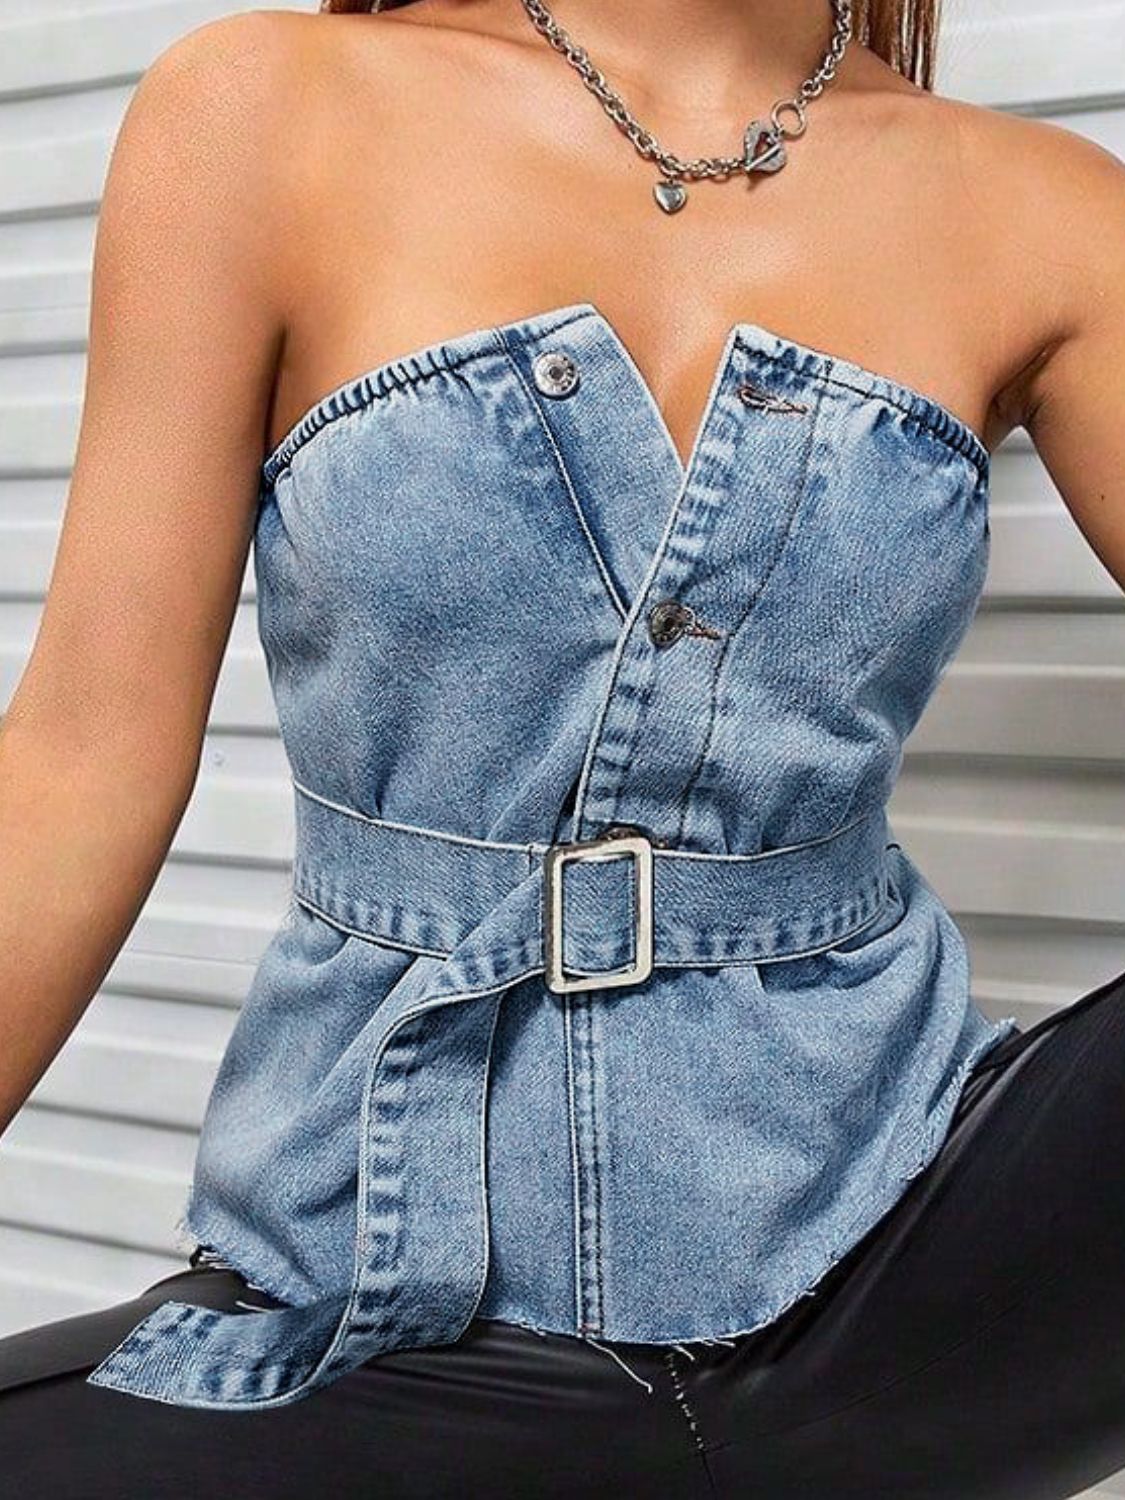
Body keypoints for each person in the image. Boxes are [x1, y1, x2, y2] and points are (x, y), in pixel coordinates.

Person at [0, 0, 1123, 1494]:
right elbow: (82, 758)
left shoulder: (1048, 211)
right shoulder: (269, 110)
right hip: (381, 1295)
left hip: (902, 1264)